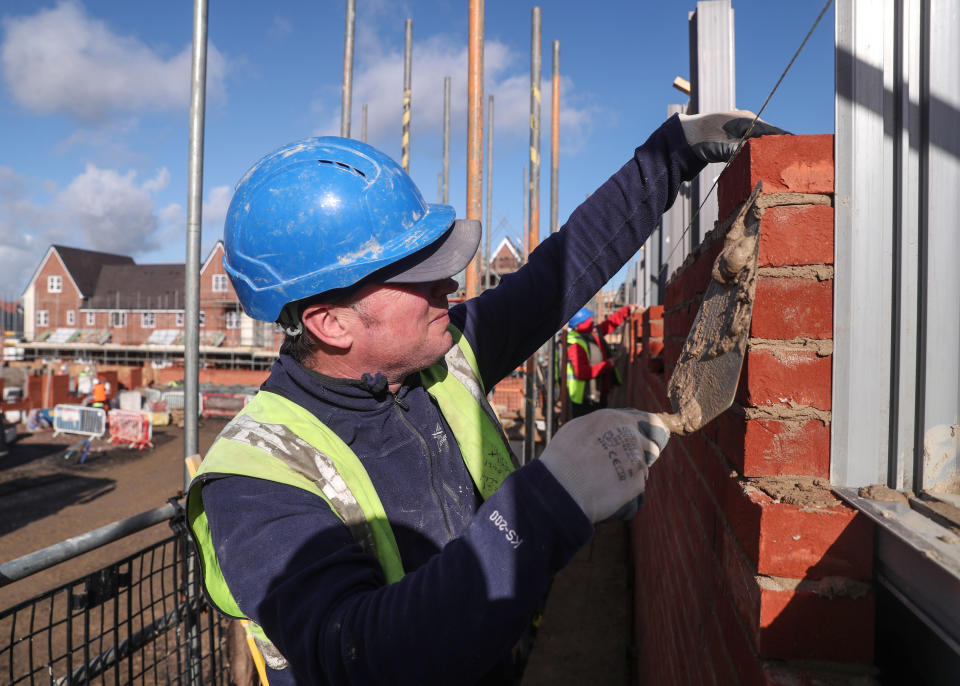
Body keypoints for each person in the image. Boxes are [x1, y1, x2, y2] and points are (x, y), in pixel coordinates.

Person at [186, 110, 786, 685]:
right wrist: (552, 500)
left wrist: (669, 155)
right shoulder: (254, 480)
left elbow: (555, 276)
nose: (449, 283)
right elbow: (359, 655)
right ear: (331, 323)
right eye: (415, 273)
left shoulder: (436, 356)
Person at [564, 305, 632, 417]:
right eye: (588, 320)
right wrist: (608, 364)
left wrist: (627, 310)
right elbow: (582, 373)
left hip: (599, 393)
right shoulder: (575, 345)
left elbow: (610, 323)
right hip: (585, 399)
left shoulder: (592, 333)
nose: (592, 321)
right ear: (579, 325)